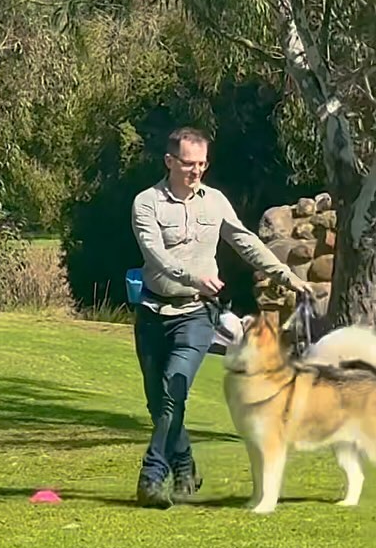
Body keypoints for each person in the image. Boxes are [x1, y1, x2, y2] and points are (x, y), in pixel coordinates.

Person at [131, 126, 308, 509]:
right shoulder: (147, 203)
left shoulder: (214, 202)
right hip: (152, 312)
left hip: (197, 313)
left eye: (202, 164)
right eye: (188, 164)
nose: (196, 171)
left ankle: (152, 476)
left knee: (174, 389)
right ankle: (185, 466)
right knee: (158, 403)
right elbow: (155, 255)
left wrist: (286, 275)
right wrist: (193, 275)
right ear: (169, 161)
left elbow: (245, 241)